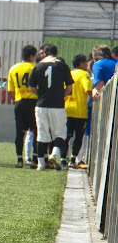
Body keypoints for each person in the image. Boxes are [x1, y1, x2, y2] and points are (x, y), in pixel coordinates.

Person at [28, 43, 74, 171]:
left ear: (44, 53)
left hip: (41, 105)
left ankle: (41, 164)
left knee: (42, 134)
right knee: (60, 132)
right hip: (57, 105)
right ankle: (54, 153)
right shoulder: (62, 66)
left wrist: (41, 95)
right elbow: (69, 88)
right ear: (56, 53)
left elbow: (32, 87)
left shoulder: (38, 66)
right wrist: (61, 95)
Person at [8, 45, 39, 168]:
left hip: (19, 102)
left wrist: (16, 101)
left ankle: (19, 159)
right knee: (36, 131)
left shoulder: (13, 68)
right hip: (33, 102)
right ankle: (34, 159)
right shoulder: (36, 68)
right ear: (31, 56)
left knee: (19, 133)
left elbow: (10, 90)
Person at [64, 54, 92, 168]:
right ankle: (73, 159)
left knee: (66, 136)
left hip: (67, 110)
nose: (87, 64)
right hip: (80, 111)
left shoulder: (68, 74)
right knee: (79, 137)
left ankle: (63, 160)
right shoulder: (84, 74)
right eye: (85, 62)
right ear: (81, 64)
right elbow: (88, 90)